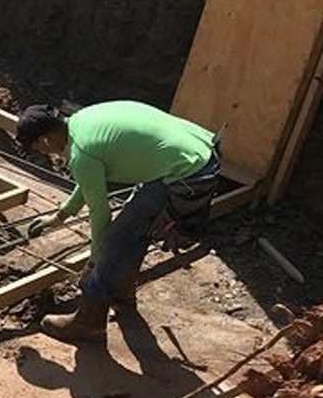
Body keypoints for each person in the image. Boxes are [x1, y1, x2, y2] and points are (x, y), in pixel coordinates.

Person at [15, 100, 221, 344]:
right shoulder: (83, 121)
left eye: (38, 148)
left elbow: (100, 215)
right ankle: (121, 293)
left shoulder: (82, 152)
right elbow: (90, 180)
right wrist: (61, 215)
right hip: (200, 150)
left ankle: (88, 323)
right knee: (134, 229)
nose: (43, 152)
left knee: (114, 239)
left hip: (188, 173)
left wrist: (93, 261)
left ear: (44, 140)